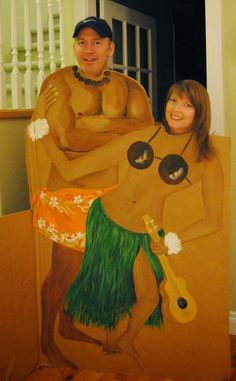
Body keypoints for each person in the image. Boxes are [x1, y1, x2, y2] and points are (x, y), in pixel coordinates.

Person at [30, 79, 223, 367]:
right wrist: (42, 134)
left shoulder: (206, 160)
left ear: (201, 112)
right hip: (106, 222)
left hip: (144, 233)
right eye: (173, 100)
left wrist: (173, 241)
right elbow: (72, 170)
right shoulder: (145, 135)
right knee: (108, 292)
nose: (176, 109)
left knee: (148, 298)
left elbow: (212, 221)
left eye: (187, 104)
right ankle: (80, 338)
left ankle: (125, 339)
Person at [27, 16, 154, 368]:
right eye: (82, 41)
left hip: (114, 196)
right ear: (74, 46)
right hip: (70, 193)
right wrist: (117, 132)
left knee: (101, 271)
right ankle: (47, 339)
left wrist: (94, 124)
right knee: (64, 268)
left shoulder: (132, 89)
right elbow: (67, 139)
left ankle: (70, 325)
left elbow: (145, 136)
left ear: (111, 47)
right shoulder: (58, 84)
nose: (89, 49)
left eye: (97, 42)